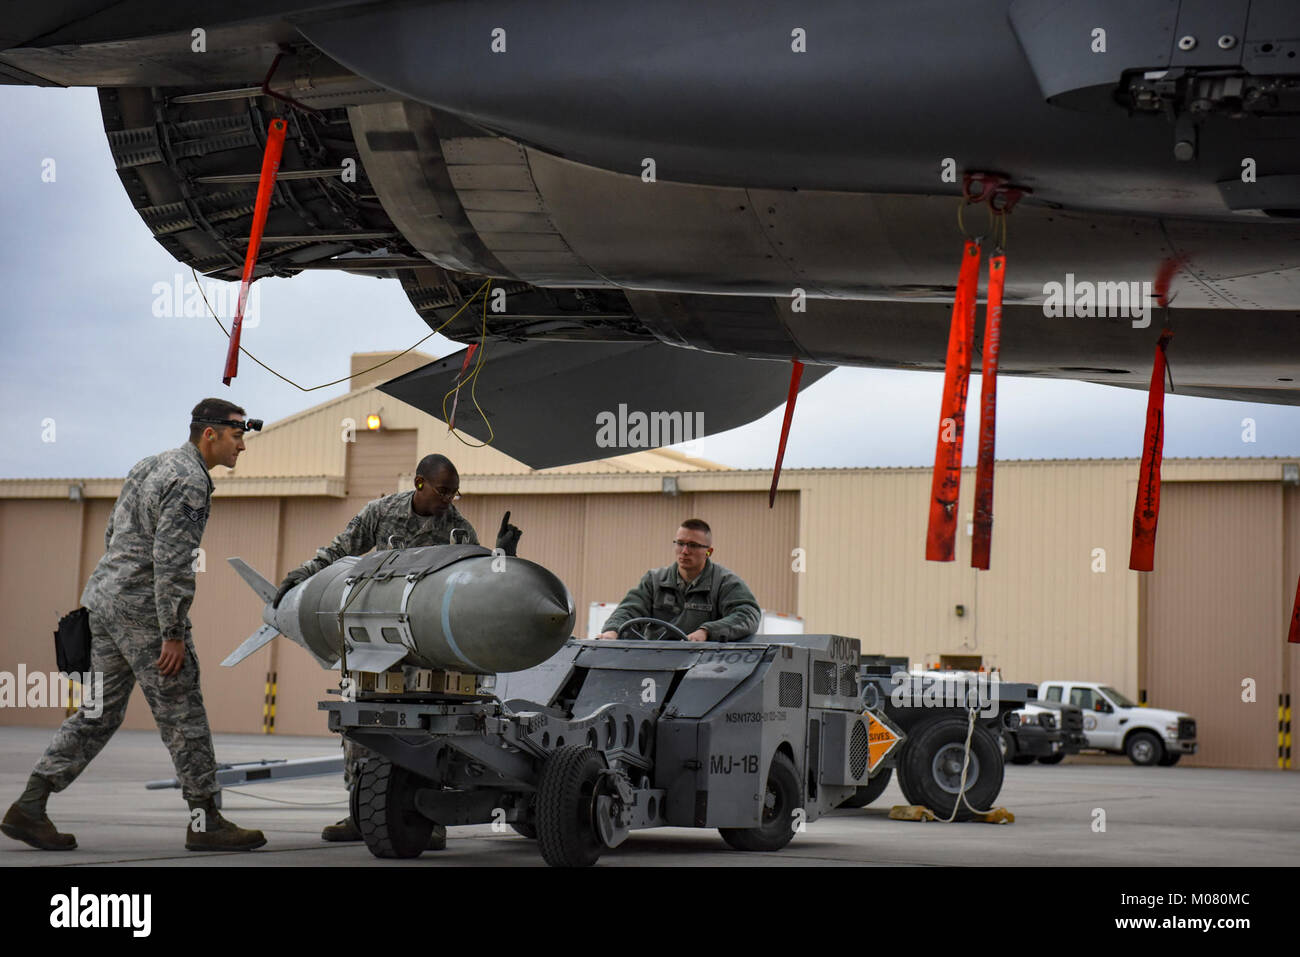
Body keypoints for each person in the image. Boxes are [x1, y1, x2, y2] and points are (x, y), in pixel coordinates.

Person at [1, 399, 267, 852]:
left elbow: (113, 534)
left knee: (98, 713)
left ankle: (30, 805)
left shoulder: (151, 464)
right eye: (237, 435)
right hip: (144, 615)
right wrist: (172, 634)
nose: (242, 445)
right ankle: (205, 822)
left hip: (104, 603)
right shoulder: (190, 481)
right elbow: (172, 562)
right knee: (184, 713)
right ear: (210, 434)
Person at [274, 453, 521, 846]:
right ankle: (362, 814)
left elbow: (474, 586)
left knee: (430, 734)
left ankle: (428, 820)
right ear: (420, 483)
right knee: (364, 730)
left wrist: (502, 559)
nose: (449, 500)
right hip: (378, 640)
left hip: (427, 651)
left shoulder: (458, 528)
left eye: (455, 493)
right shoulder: (381, 512)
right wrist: (301, 577)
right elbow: (339, 551)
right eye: (444, 490)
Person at [598, 519, 760, 642]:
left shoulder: (725, 583)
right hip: (654, 663)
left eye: (693, 545)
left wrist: (707, 631)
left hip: (703, 667)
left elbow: (748, 614)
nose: (684, 551)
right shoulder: (654, 581)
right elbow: (628, 610)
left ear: (708, 552)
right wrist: (613, 631)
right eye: (680, 543)